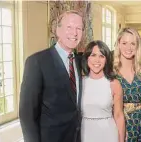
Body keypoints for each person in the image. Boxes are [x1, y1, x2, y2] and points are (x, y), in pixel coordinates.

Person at [19, 10, 84, 142]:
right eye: (69, 27)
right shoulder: (37, 62)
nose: (75, 33)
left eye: (79, 28)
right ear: (57, 30)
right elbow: (27, 114)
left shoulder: (79, 61)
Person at [80, 40, 125, 142]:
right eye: (93, 55)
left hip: (108, 134)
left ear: (106, 60)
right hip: (85, 134)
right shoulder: (79, 83)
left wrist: (121, 140)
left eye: (101, 56)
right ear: (87, 58)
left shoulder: (114, 84)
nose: (97, 60)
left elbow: (118, 115)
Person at [113, 27, 141, 141]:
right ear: (118, 43)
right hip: (118, 123)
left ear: (137, 46)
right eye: (124, 43)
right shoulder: (109, 69)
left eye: (133, 43)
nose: (128, 48)